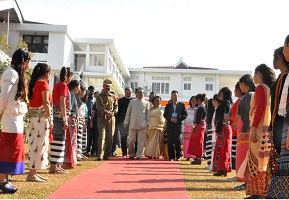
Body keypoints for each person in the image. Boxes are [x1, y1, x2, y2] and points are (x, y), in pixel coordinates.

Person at [237, 64, 275, 198]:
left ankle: (257, 192)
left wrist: (253, 128)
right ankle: (263, 191)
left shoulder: (260, 88)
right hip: (266, 128)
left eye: (255, 74)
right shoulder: (270, 88)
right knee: (263, 161)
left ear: (260, 74)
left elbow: (259, 110)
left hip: (258, 128)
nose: (253, 77)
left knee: (255, 160)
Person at [0, 48, 31, 193]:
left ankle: (5, 178)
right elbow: (3, 96)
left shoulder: (17, 74)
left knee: (14, 148)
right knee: (8, 148)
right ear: (24, 61)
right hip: (9, 116)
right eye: (29, 61)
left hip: (16, 117)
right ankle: (1, 180)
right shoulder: (11, 73)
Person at [267, 41, 289, 198]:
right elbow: (273, 108)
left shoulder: (287, 77)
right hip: (278, 127)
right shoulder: (280, 80)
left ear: (280, 57)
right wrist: (270, 128)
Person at [26, 63, 52, 182]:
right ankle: (32, 173)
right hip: (41, 118)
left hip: (32, 117)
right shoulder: (43, 84)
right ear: (47, 74)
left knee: (34, 144)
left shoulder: (34, 83)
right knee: (39, 145)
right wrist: (50, 118)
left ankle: (33, 172)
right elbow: (46, 102)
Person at [49, 66, 73, 174]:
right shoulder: (63, 85)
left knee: (60, 140)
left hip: (57, 114)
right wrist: (65, 119)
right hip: (59, 115)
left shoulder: (58, 85)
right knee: (58, 140)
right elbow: (62, 103)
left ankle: (57, 164)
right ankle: (54, 166)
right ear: (68, 76)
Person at [235, 74, 255, 189]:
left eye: (239, 84)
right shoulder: (248, 95)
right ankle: (245, 180)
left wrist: (244, 129)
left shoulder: (249, 96)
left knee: (246, 156)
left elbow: (248, 113)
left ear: (243, 84)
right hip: (245, 128)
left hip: (246, 130)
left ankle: (247, 181)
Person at [124, 87, 150, 160]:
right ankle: (131, 154)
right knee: (131, 141)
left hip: (142, 125)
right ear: (136, 93)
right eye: (138, 92)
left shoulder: (146, 103)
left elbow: (148, 115)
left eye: (141, 92)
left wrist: (148, 124)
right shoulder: (132, 102)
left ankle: (139, 155)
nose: (140, 94)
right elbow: (128, 113)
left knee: (140, 142)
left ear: (143, 94)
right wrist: (126, 122)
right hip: (133, 124)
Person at [212, 87, 233, 177]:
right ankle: (224, 168)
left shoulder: (224, 104)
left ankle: (222, 168)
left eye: (220, 93)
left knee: (222, 149)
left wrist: (218, 129)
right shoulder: (228, 103)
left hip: (223, 129)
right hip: (225, 128)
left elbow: (221, 118)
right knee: (225, 148)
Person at [95, 79, 118, 161]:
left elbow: (116, 107)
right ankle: (100, 155)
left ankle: (107, 155)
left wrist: (112, 113)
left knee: (110, 137)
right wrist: (106, 112)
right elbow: (98, 106)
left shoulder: (113, 96)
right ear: (103, 86)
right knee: (102, 136)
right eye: (106, 86)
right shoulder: (99, 96)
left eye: (109, 87)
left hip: (111, 119)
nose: (107, 88)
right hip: (102, 118)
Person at [164, 90, 188, 161]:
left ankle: (179, 156)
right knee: (170, 141)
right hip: (170, 125)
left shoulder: (182, 105)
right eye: (173, 95)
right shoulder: (168, 105)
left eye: (175, 95)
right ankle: (171, 156)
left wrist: (178, 119)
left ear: (178, 96)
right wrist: (170, 118)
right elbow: (165, 114)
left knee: (177, 140)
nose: (174, 97)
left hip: (178, 125)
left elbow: (185, 115)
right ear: (171, 97)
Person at [63, 79, 80, 169]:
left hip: (70, 119)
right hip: (71, 120)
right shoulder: (71, 95)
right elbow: (71, 109)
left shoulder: (71, 95)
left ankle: (68, 159)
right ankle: (68, 160)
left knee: (69, 141)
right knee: (69, 141)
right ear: (76, 88)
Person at [228, 82, 244, 172]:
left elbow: (238, 116)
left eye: (235, 89)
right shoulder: (239, 100)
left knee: (236, 151)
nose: (234, 91)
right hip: (235, 128)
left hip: (237, 129)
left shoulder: (240, 100)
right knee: (234, 151)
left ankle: (236, 170)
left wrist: (229, 117)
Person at [187, 93, 207, 165]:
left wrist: (194, 125)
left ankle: (199, 158)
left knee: (199, 142)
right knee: (196, 141)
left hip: (199, 126)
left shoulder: (201, 107)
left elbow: (199, 118)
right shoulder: (199, 107)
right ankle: (196, 157)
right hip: (198, 126)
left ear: (198, 100)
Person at [115, 87, 133, 157]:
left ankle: (132, 153)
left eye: (130, 93)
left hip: (132, 122)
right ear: (125, 93)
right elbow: (118, 112)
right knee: (123, 138)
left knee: (132, 139)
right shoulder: (120, 101)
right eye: (127, 93)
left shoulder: (134, 100)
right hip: (123, 122)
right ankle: (124, 153)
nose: (128, 94)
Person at [205, 95, 220, 170]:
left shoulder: (215, 110)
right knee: (210, 148)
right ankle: (210, 163)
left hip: (213, 131)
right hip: (212, 131)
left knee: (211, 148)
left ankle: (211, 163)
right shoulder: (213, 111)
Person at [183, 96, 196, 160]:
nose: (193, 101)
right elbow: (185, 117)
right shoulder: (187, 108)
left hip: (194, 127)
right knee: (187, 142)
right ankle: (187, 156)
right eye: (192, 100)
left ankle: (193, 156)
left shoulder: (197, 109)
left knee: (193, 142)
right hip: (187, 127)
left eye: (194, 100)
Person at [85, 86, 96, 157]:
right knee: (87, 136)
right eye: (90, 91)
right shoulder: (86, 99)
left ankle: (93, 151)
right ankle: (86, 150)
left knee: (94, 136)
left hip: (94, 119)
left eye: (92, 91)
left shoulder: (95, 100)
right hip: (87, 120)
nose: (91, 92)